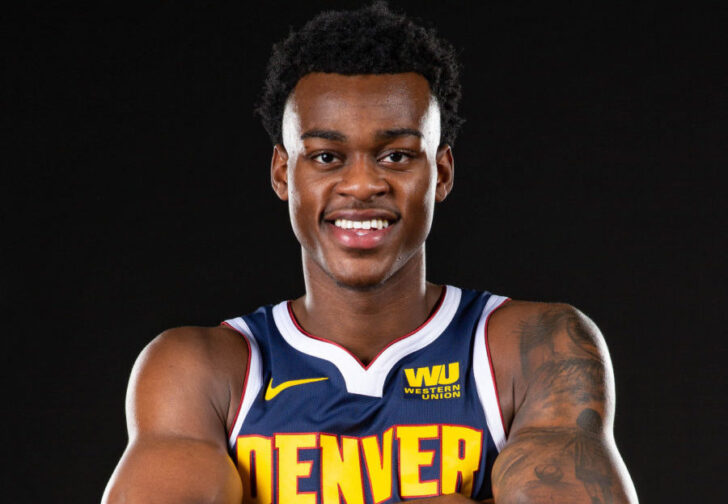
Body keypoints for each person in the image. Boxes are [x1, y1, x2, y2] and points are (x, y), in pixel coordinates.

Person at [102, 3, 638, 503]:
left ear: (441, 173)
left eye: (397, 155)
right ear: (284, 173)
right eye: (328, 157)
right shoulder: (201, 370)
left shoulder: (532, 348)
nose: (362, 184)